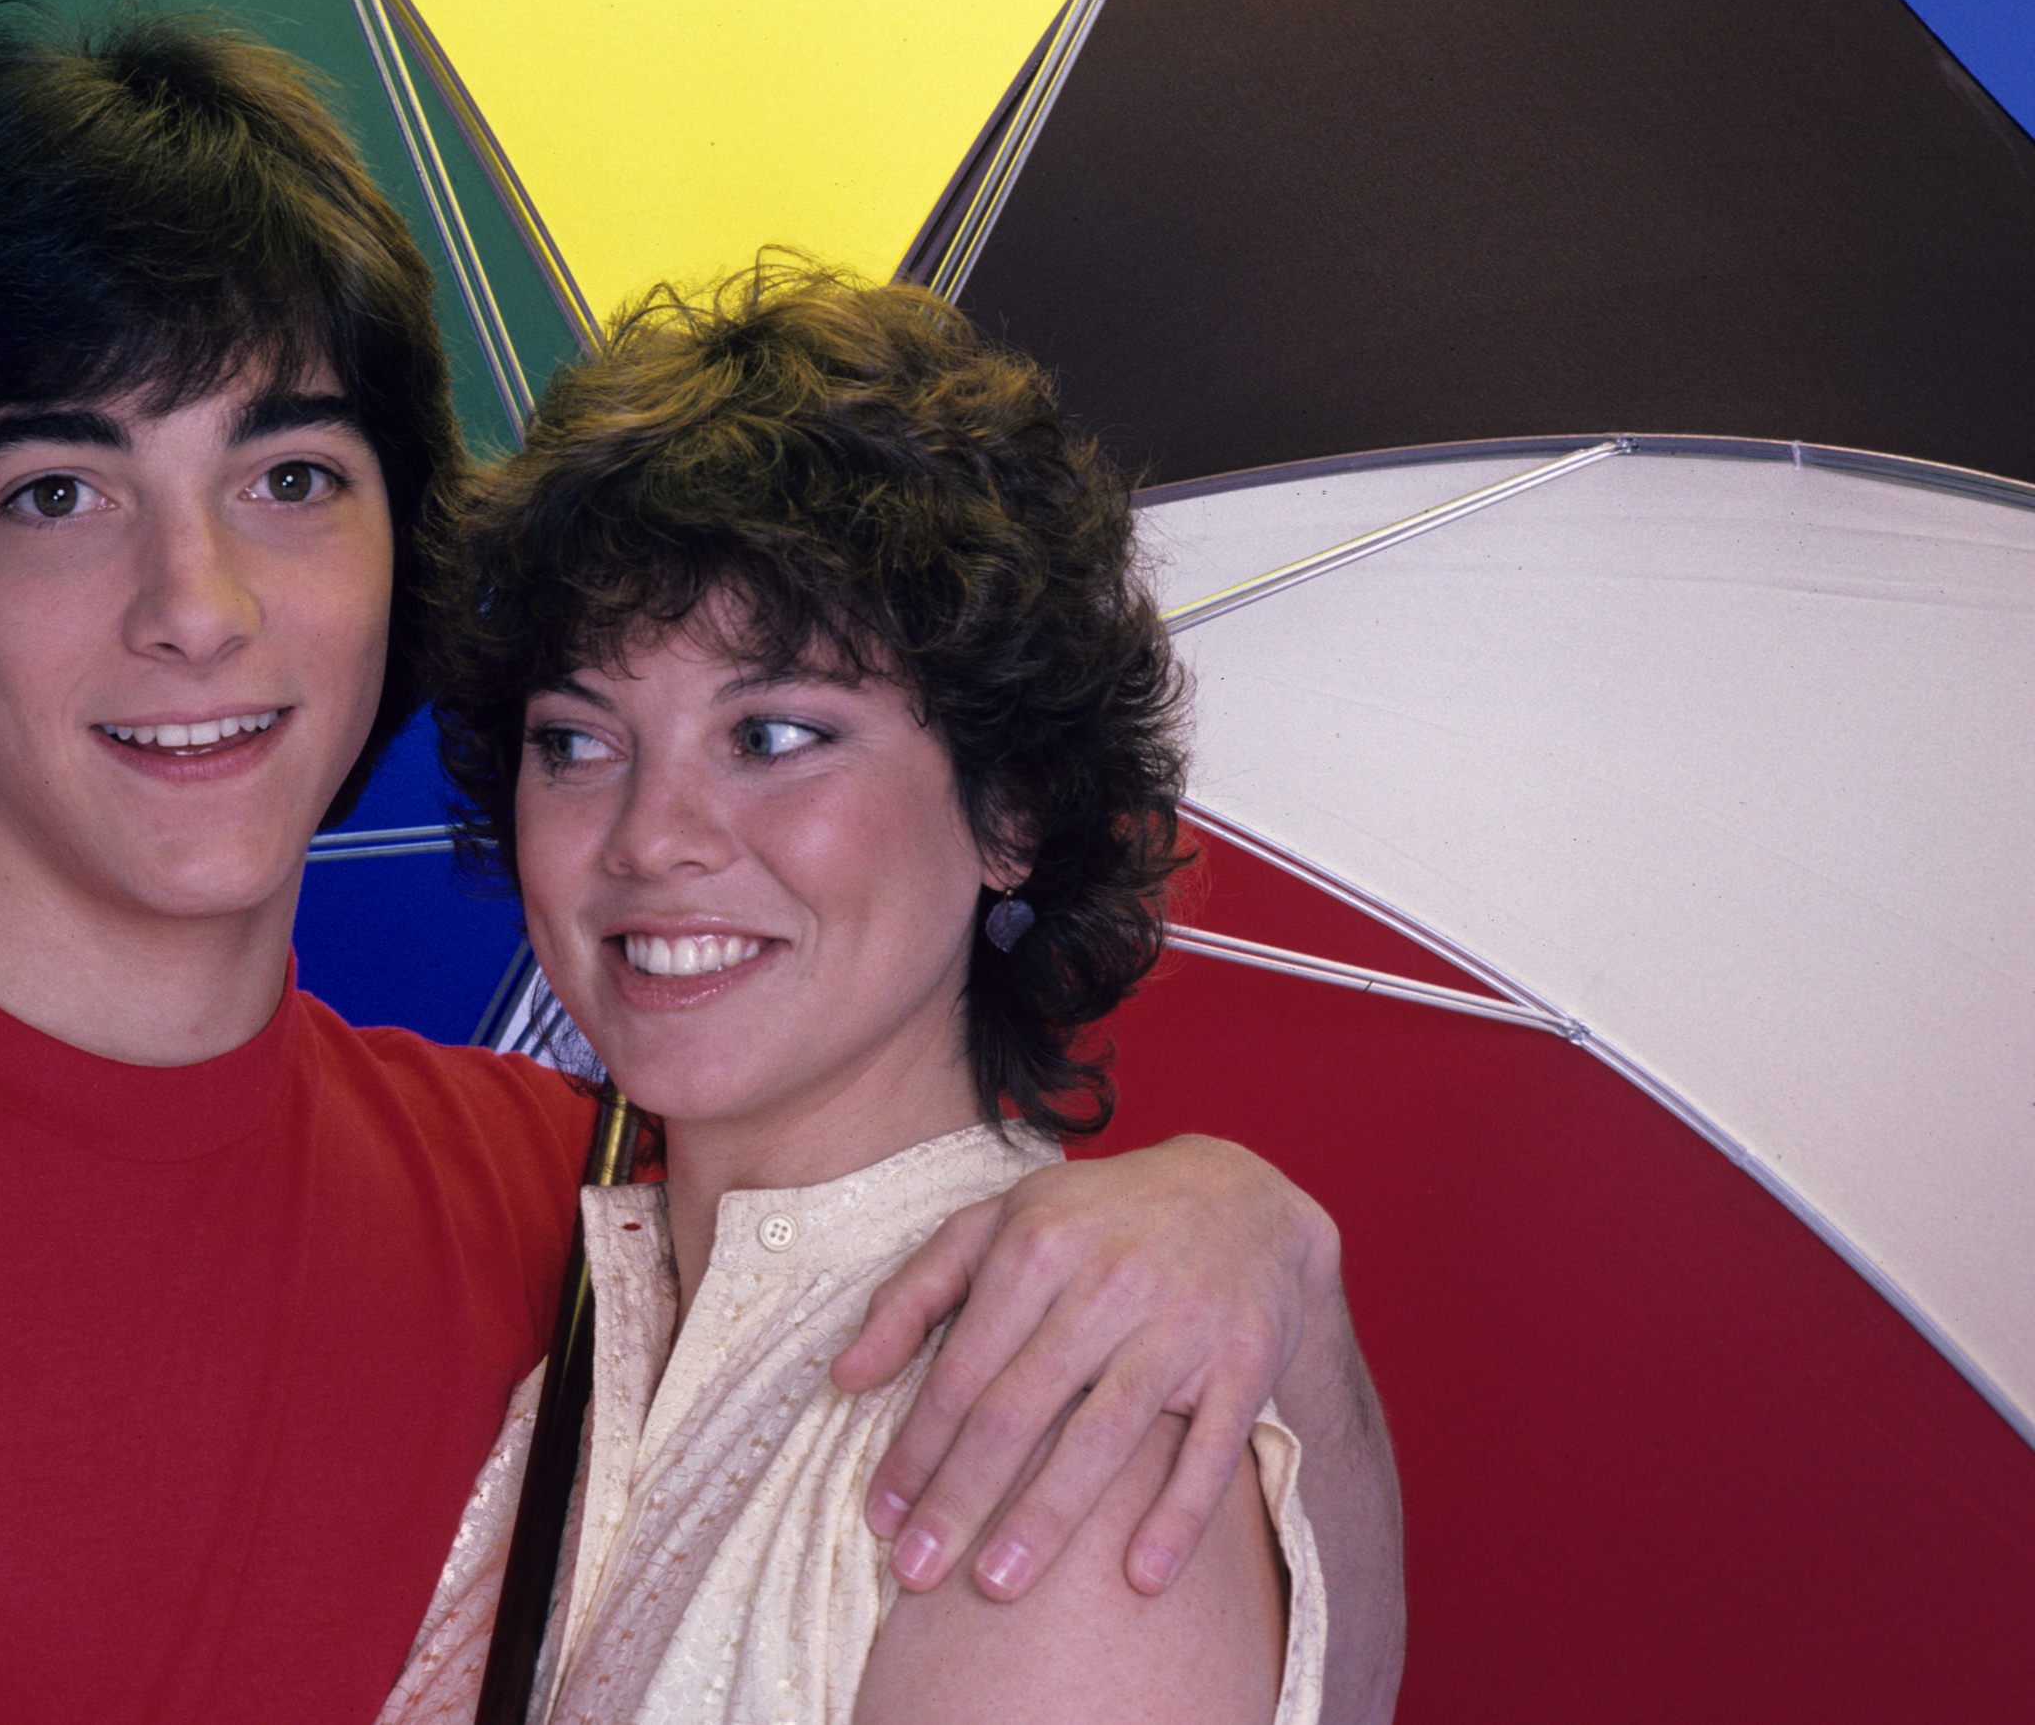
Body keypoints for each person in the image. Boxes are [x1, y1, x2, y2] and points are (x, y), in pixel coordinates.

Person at [0, 12, 1397, 1723]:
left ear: (404, 554)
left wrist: (1273, 1278)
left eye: (290, 475)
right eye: (55, 492)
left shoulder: (561, 1195)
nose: (197, 605)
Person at [383, 262, 1374, 1723]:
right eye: (577, 741)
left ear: (1012, 807)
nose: (651, 835)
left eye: (775, 732)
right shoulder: (569, 1347)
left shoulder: (1057, 1450)